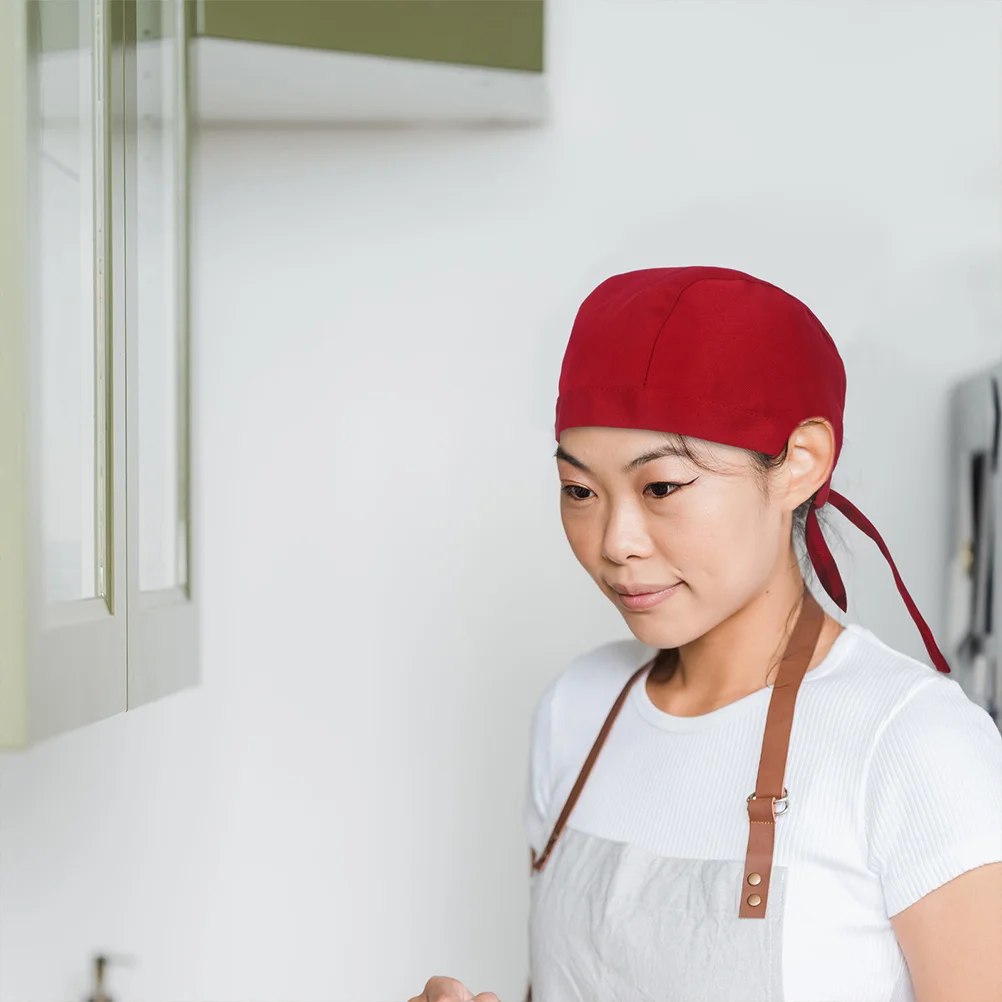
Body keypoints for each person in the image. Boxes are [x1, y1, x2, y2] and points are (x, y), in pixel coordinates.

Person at [408, 267, 1002, 1002]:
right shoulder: (577, 710)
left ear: (800, 464)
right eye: (579, 491)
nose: (616, 541)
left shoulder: (912, 743)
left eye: (661, 487)